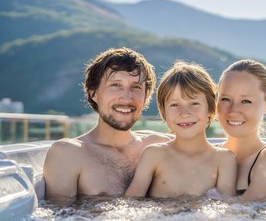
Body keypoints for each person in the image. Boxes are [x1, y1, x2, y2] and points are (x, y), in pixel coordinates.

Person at [43, 47, 171, 202]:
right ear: (94, 93)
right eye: (116, 85)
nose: (126, 97)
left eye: (136, 87)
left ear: (146, 97)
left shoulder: (162, 146)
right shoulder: (68, 154)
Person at [125, 61, 237, 198]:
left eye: (194, 103)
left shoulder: (224, 159)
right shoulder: (154, 154)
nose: (184, 113)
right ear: (163, 112)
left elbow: (229, 211)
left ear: (210, 109)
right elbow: (130, 203)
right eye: (174, 105)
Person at [216, 59, 266, 202]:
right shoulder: (210, 154)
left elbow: (244, 214)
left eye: (246, 101)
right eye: (226, 99)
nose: (233, 111)